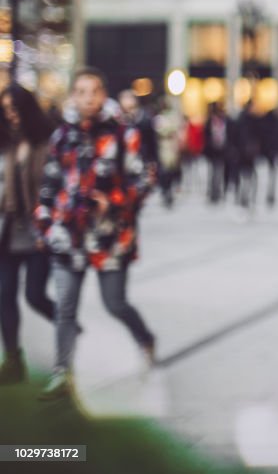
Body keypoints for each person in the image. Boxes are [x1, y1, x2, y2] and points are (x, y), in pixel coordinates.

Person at [35, 67, 157, 400]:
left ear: (104, 95)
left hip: (110, 238)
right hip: (70, 235)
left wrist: (113, 202)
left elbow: (144, 178)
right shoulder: (62, 136)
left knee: (114, 303)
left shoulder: (124, 134)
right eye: (81, 92)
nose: (88, 98)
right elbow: (50, 182)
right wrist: (45, 222)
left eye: (94, 91)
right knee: (64, 308)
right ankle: (63, 373)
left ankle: (145, 338)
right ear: (73, 96)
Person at [0, 85, 57, 384]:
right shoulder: (6, 143)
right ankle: (13, 359)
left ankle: (67, 327)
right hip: (9, 232)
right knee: (3, 295)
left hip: (38, 231)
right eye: (6, 109)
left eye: (15, 109)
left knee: (35, 296)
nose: (11, 115)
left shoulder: (46, 143)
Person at [152, 98, 183, 207]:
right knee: (163, 171)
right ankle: (165, 190)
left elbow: (176, 129)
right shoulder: (159, 118)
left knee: (171, 170)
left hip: (171, 147)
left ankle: (169, 190)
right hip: (162, 147)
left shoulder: (172, 116)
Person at [203, 102, 230, 203]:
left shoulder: (223, 121)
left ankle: (217, 191)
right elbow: (206, 136)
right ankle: (214, 192)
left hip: (221, 150)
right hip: (213, 151)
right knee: (214, 171)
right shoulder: (210, 121)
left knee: (218, 171)